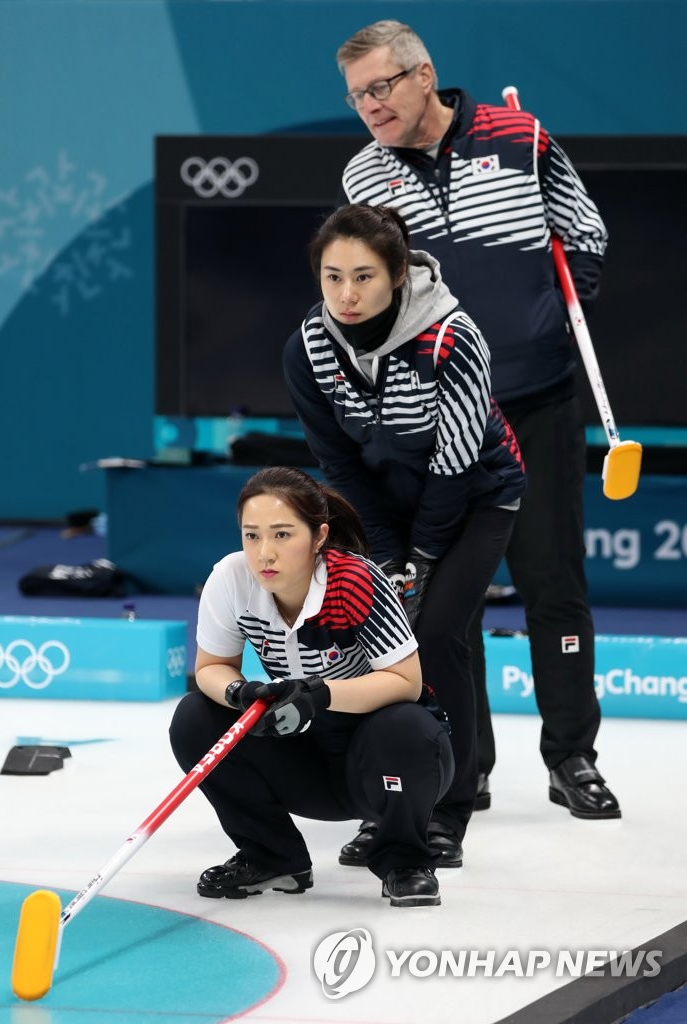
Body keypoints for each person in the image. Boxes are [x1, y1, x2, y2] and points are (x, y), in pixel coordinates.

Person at [333, 19, 621, 823]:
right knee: (447, 604)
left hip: (539, 401)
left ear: (425, 76)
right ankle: (467, 764)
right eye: (357, 96)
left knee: (553, 586)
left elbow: (585, 230)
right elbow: (369, 294)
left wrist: (556, 319)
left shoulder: (519, 136)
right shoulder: (364, 175)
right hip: (441, 418)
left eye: (381, 86)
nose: (370, 107)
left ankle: (573, 757)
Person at [282, 203, 526, 869]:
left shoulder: (453, 338)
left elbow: (455, 464)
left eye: (364, 277)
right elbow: (337, 462)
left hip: (477, 494)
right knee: (371, 642)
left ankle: (447, 810)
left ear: (398, 275)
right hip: (382, 500)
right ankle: (388, 806)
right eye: (332, 277)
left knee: (439, 632)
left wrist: (420, 557)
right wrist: (386, 551)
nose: (346, 295)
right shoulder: (309, 344)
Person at [169, 465, 454, 908]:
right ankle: (272, 856)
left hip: (375, 755)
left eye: (282, 535)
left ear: (319, 536)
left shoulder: (354, 581)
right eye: (252, 536)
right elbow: (211, 667)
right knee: (195, 718)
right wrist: (239, 693)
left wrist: (320, 694)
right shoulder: (230, 579)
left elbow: (406, 681)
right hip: (301, 757)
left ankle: (404, 859)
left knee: (406, 728)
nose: (264, 553)